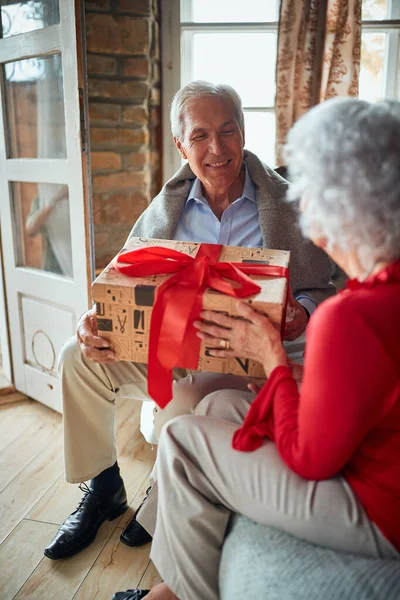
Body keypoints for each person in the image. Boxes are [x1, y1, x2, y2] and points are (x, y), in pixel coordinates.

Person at [113, 97, 400, 600]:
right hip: (378, 457)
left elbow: (312, 460)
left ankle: (182, 593)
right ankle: (178, 580)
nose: (303, 210)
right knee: (221, 404)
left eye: (309, 193)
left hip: (379, 508)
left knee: (181, 439)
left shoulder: (348, 316)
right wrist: (293, 378)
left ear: (339, 206)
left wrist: (272, 358)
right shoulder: (379, 293)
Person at [44, 81, 334, 560]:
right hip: (169, 348)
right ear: (181, 145)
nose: (216, 148)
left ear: (244, 133)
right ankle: (104, 487)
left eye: (227, 131)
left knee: (193, 395)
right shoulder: (169, 205)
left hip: (239, 359)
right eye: (199, 136)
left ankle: (165, 503)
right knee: (78, 358)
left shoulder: (287, 206)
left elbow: (323, 289)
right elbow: (122, 275)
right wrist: (94, 319)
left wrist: (301, 313)